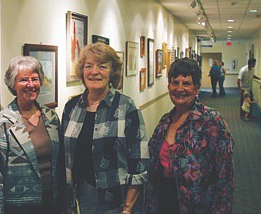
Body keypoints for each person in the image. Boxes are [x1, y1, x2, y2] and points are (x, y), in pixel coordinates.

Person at [61, 43, 149, 214]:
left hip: (119, 200)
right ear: (82, 71)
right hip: (82, 197)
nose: (94, 72)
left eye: (102, 66)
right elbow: (65, 158)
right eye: (89, 66)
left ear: (112, 72)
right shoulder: (72, 107)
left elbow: (139, 161)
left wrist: (128, 208)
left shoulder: (126, 106)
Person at [145, 58, 234, 213]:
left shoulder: (212, 122)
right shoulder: (164, 122)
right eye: (175, 83)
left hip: (198, 208)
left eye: (186, 83)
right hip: (163, 203)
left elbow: (224, 178)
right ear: (169, 86)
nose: (180, 89)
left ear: (196, 88)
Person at [0, 56, 66, 214]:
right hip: (19, 207)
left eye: (35, 79)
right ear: (13, 85)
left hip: (53, 203)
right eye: (23, 80)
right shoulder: (1, 122)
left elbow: (61, 163)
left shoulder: (51, 117)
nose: (31, 85)